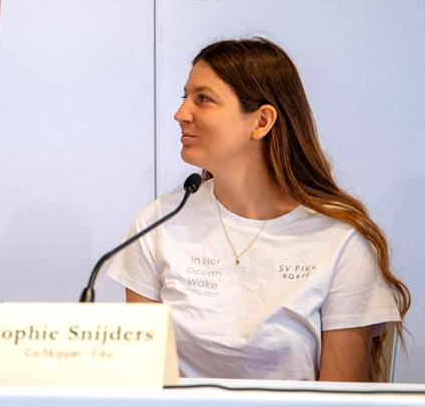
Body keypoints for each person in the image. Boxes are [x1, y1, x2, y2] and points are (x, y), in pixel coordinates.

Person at [107, 38, 410, 381]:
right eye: (184, 97)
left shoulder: (339, 241)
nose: (180, 114)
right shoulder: (156, 224)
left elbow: (340, 399)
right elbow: (141, 383)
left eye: (203, 99)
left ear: (262, 121)